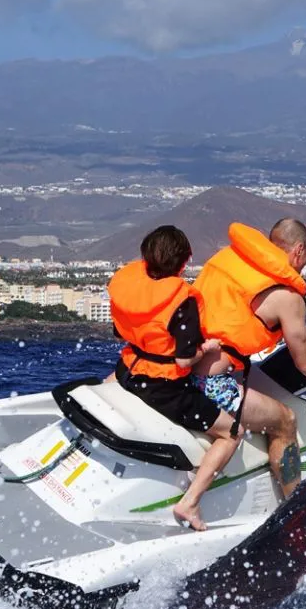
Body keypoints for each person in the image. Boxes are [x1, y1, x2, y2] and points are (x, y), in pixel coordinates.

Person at [192, 218, 306, 499]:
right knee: (285, 421)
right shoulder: (286, 297)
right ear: (299, 251)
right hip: (209, 382)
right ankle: (294, 504)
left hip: (179, 367)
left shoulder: (228, 259)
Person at [107, 225, 243, 532]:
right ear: (185, 261)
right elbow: (183, 360)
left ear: (145, 255)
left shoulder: (126, 284)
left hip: (127, 370)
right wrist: (208, 348)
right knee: (233, 433)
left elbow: (119, 332)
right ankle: (189, 503)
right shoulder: (182, 300)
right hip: (162, 387)